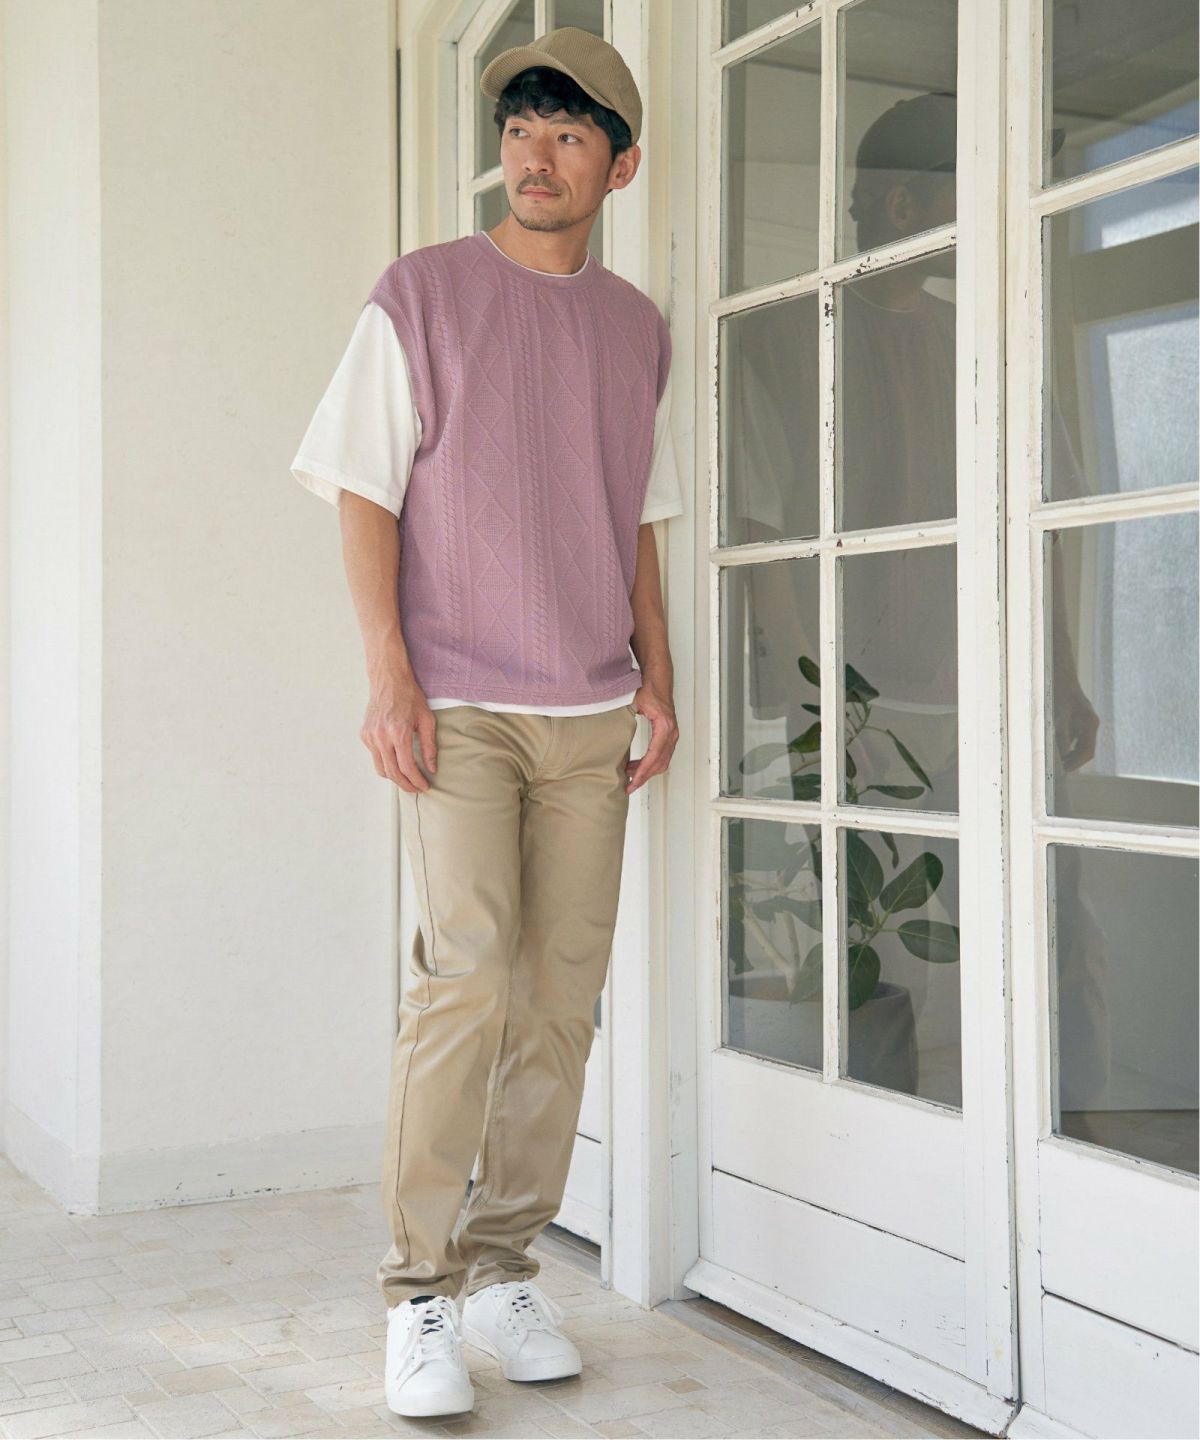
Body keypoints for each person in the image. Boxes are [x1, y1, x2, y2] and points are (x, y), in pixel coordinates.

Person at [289, 27, 684, 1421]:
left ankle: (507, 1269)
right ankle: (419, 1292)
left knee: (562, 998)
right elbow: (364, 488)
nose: (535, 154)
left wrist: (657, 675)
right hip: (461, 699)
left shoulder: (637, 329)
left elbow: (637, 516)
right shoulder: (422, 295)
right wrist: (388, 674)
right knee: (463, 981)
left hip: (590, 707)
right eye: (520, 127)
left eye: (569, 132)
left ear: (617, 166)